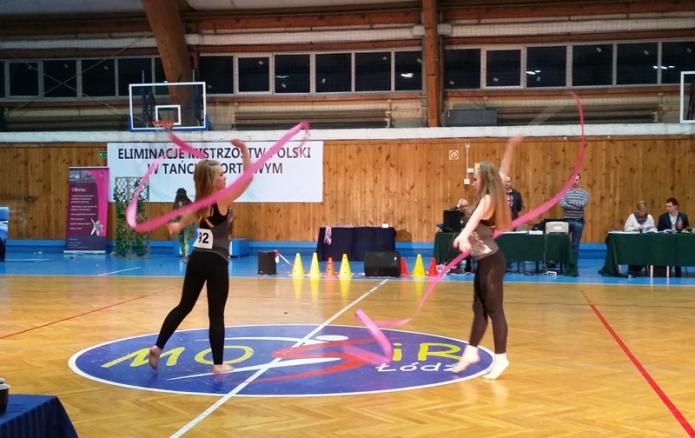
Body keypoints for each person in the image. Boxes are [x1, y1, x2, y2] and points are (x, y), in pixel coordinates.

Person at [148, 139, 252, 374]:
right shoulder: (222, 198)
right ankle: (218, 365)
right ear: (212, 181)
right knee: (216, 314)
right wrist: (244, 150)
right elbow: (248, 178)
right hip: (216, 262)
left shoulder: (201, 201)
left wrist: (177, 226)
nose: (225, 177)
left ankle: (158, 347)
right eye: (221, 175)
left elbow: (187, 216)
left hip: (196, 259)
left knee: (184, 306)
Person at [450, 136, 519, 380]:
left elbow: (473, 221)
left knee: (495, 311)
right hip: (484, 262)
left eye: (476, 178)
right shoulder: (490, 192)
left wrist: (463, 236)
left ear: (485, 179)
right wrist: (510, 146)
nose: (473, 181)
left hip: (492, 262)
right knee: (478, 309)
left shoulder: (488, 199)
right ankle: (471, 352)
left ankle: (501, 358)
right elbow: (504, 169)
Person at [559, 173, 589, 264]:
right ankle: (563, 261)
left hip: (579, 221)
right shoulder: (564, 192)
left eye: (577, 179)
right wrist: (577, 205)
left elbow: (583, 204)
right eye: (573, 179)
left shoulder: (584, 193)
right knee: (563, 242)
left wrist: (570, 202)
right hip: (566, 220)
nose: (575, 181)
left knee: (575, 244)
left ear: (579, 180)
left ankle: (573, 263)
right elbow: (563, 204)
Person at [656, 197, 689, 277]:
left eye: (669, 206)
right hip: (666, 242)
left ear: (675, 206)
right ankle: (667, 269)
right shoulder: (662, 217)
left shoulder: (683, 216)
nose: (667, 208)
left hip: (679, 242)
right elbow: (659, 230)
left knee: (678, 249)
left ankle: (678, 270)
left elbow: (687, 229)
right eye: (666, 206)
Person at [172, 188, 194, 261]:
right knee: (186, 241)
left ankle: (184, 256)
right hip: (188, 223)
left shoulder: (175, 204)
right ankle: (186, 257)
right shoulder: (189, 202)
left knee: (181, 240)